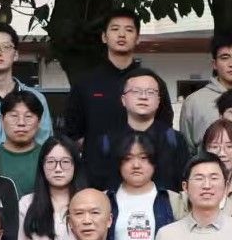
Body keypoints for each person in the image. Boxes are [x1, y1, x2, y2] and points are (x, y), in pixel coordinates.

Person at [64, 9, 174, 147]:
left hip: (142, 159)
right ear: (104, 37)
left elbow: (164, 128)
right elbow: (72, 132)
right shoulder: (85, 83)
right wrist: (96, 150)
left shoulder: (152, 82)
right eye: (115, 29)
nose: (121, 35)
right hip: (95, 160)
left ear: (137, 38)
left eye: (129, 30)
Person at [84, 68, 189, 193]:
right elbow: (97, 186)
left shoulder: (174, 139)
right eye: (136, 91)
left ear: (158, 100)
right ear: (123, 100)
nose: (143, 97)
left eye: (150, 92)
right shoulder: (106, 141)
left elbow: (183, 184)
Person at [106, 132, 184, 240]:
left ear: (154, 162)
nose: (136, 165)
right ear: (119, 162)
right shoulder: (106, 200)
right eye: (128, 158)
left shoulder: (172, 200)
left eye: (143, 158)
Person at [17, 135, 85, 240]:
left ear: (75, 165)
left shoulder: (87, 203)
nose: (58, 169)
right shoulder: (27, 203)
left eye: (65, 162)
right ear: (42, 166)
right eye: (51, 162)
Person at [0, 90, 45, 200]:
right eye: (14, 116)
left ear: (39, 122)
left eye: (28, 116)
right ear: (2, 119)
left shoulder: (48, 157)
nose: (21, 123)